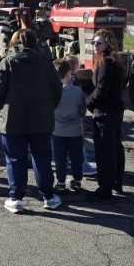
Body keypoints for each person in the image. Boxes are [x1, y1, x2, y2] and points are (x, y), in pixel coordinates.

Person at [0, 29, 62, 213]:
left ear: (14, 42)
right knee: (43, 158)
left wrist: (2, 104)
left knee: (15, 159)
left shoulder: (7, 62)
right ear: (34, 43)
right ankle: (49, 197)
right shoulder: (46, 62)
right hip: (41, 119)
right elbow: (57, 90)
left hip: (13, 119)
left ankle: (16, 198)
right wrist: (47, 108)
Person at [85, 29, 126, 199]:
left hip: (105, 112)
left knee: (105, 151)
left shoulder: (106, 62)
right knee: (115, 146)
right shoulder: (114, 60)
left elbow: (101, 89)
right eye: (93, 42)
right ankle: (116, 181)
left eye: (99, 42)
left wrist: (88, 103)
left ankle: (105, 188)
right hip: (115, 110)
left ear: (107, 43)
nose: (95, 46)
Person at [52, 58, 86, 193]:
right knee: (76, 157)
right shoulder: (77, 91)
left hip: (58, 131)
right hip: (76, 131)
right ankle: (77, 181)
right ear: (68, 74)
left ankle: (60, 182)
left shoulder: (53, 92)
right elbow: (83, 110)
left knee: (60, 158)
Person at [66, 55, 98, 177]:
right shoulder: (74, 82)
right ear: (75, 67)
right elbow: (79, 102)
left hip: (60, 119)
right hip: (73, 118)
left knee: (63, 144)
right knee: (78, 144)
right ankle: (84, 166)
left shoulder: (60, 80)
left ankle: (65, 163)